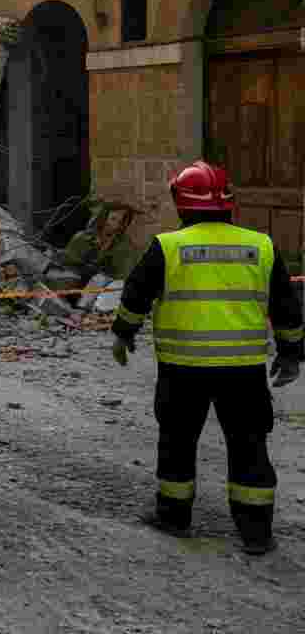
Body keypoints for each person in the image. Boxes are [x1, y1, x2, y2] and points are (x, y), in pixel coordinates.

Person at [111, 161, 303, 555]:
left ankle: (174, 516)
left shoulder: (168, 247)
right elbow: (286, 307)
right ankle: (256, 533)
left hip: (183, 370)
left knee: (177, 441)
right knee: (249, 445)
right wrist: (291, 355)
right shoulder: (261, 246)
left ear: (180, 202)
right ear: (228, 202)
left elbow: (136, 295)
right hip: (243, 371)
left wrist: (123, 334)